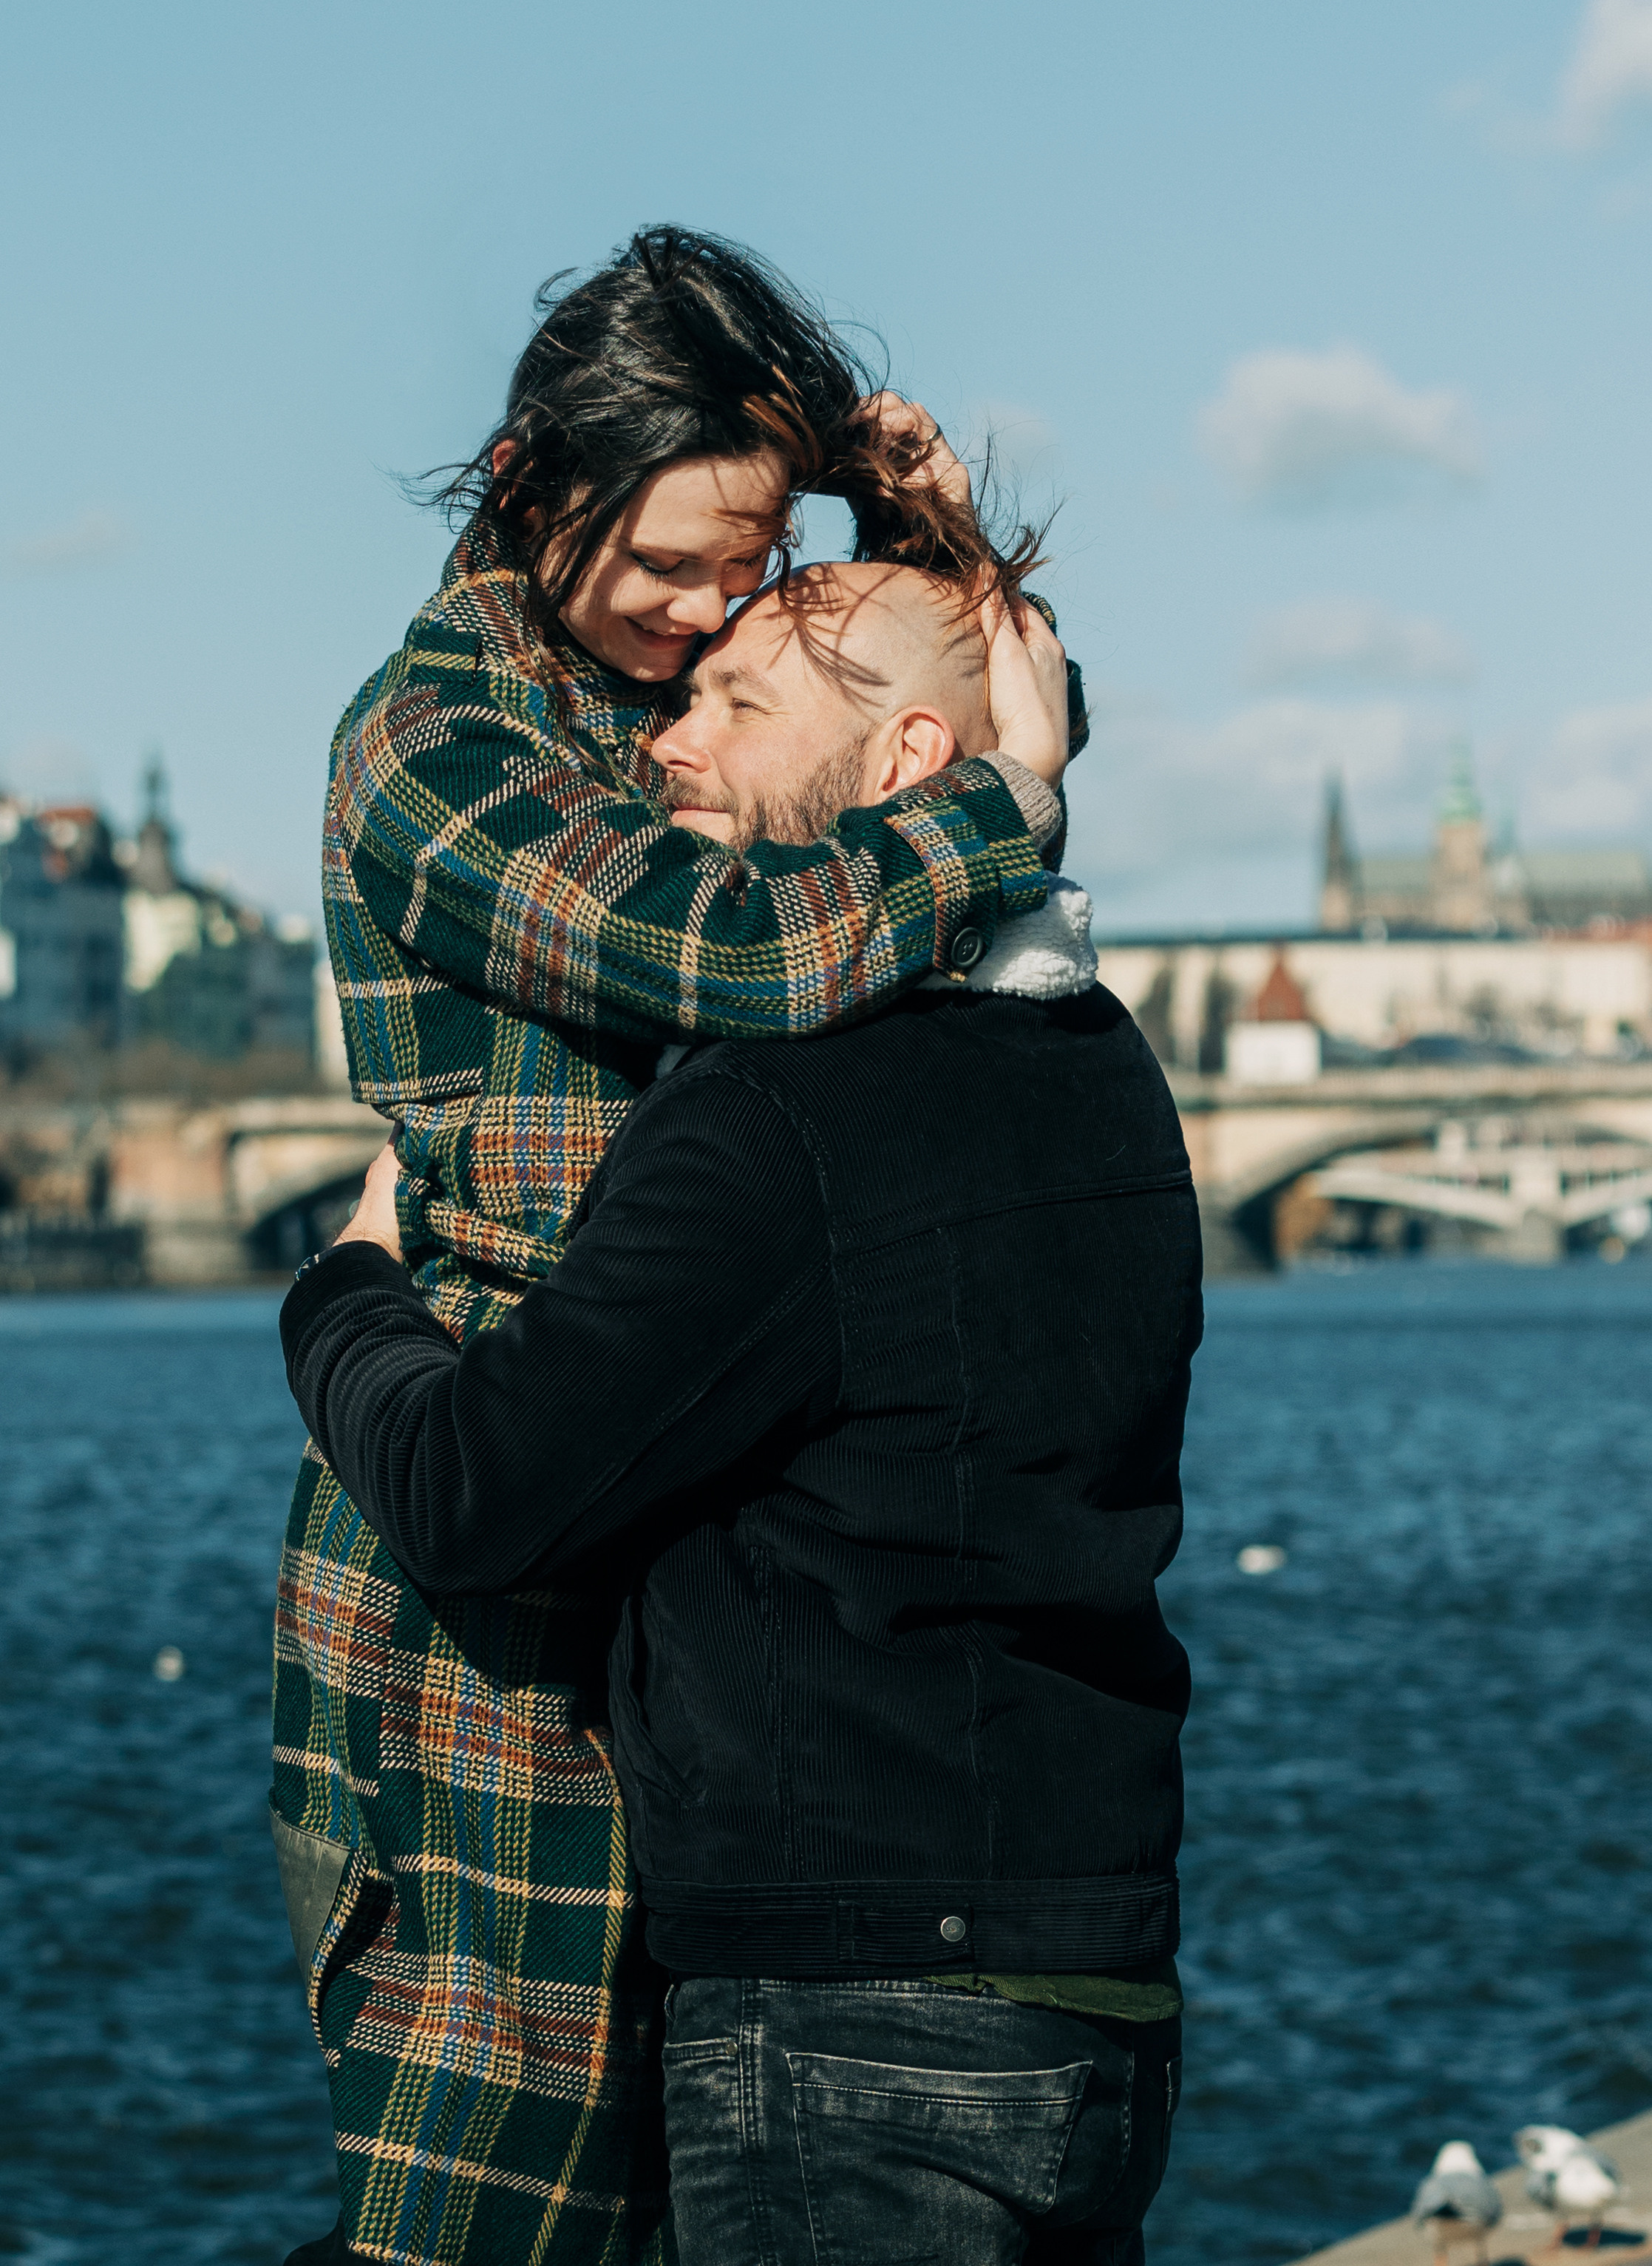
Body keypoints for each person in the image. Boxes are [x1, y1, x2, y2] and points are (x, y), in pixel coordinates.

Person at [273, 228, 1083, 2266]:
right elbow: (746, 951)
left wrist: (945, 565)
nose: (712, 608)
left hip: (700, 1568)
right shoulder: (432, 752)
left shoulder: (692, 709)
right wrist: (1017, 796)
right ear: (529, 479)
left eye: (753, 564)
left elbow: (888, 733)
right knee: (492, 2207)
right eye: (672, 563)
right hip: (490, 1605)